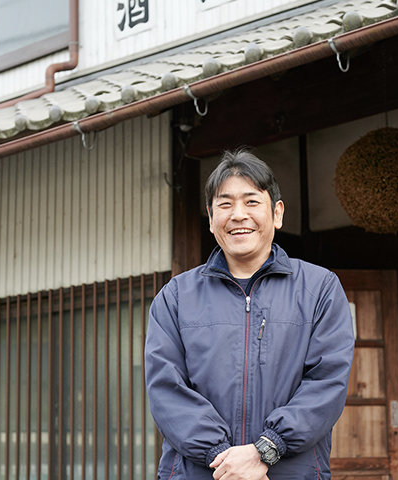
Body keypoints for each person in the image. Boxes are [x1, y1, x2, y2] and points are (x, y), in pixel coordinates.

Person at [145, 149, 354, 480]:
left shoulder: (320, 290)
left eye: (252, 202)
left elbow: (327, 383)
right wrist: (223, 460)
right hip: (201, 472)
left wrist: (266, 450)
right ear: (211, 217)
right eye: (225, 204)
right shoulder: (175, 297)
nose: (238, 214)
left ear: (277, 212)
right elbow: (165, 389)